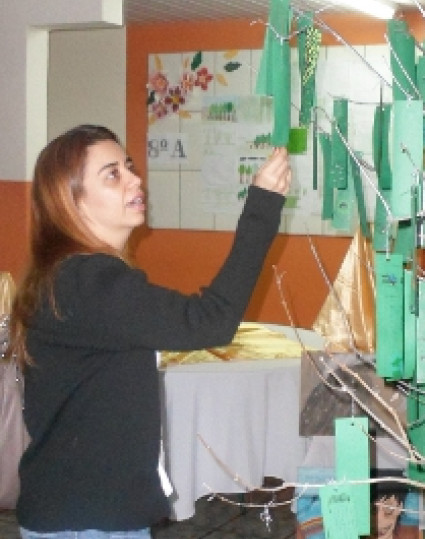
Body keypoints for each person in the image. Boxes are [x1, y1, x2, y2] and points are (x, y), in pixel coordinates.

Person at [8, 124, 291, 538]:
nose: (134, 180)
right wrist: (262, 206)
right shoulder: (88, 282)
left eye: (129, 167)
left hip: (79, 513)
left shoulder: (71, 277)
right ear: (72, 201)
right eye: (112, 175)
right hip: (87, 524)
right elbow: (211, 319)